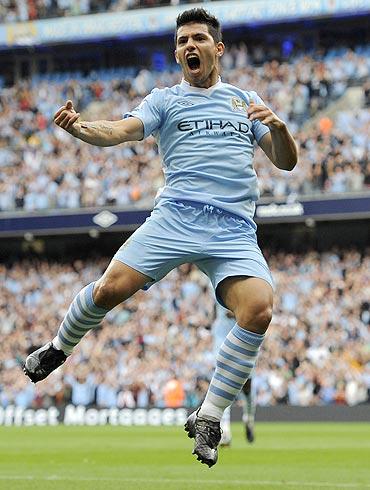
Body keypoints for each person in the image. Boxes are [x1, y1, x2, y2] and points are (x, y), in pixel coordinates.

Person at [23, 8, 298, 467]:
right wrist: (82, 127)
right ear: (177, 52)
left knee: (259, 308)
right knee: (110, 289)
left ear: (218, 48)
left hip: (232, 229)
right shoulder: (165, 100)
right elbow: (121, 130)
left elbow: (285, 162)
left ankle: (210, 416)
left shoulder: (245, 101)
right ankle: (57, 348)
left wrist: (281, 129)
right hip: (175, 218)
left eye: (198, 38)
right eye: (182, 40)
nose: (189, 45)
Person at [213, 304, 257, 447]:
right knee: (224, 385)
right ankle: (225, 432)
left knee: (247, 389)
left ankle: (248, 419)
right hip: (222, 339)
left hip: (244, 340)